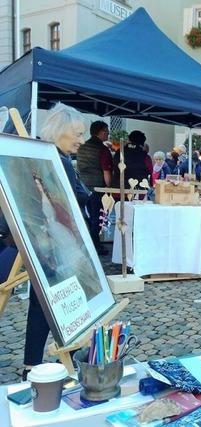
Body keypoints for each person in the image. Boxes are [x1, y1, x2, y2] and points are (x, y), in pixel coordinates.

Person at [23, 103, 92, 379]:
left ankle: (30, 366)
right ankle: (71, 361)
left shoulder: (40, 155)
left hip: (42, 241)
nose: (82, 139)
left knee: (39, 304)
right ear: (60, 131)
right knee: (66, 301)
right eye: (77, 133)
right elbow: (71, 200)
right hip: (57, 243)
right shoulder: (56, 160)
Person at [76, 120, 112, 255]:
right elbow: (106, 172)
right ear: (101, 132)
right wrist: (109, 188)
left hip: (82, 186)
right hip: (98, 188)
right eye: (107, 131)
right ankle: (95, 246)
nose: (108, 133)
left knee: (85, 216)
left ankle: (86, 244)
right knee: (97, 218)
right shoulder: (102, 149)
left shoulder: (81, 146)